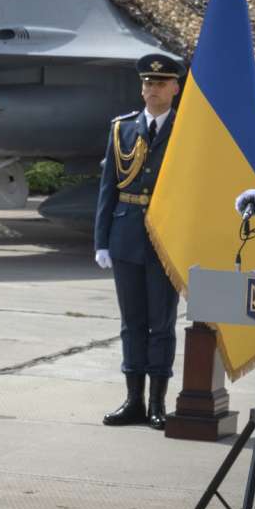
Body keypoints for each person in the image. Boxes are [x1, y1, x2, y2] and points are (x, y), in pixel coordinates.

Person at [93, 54, 184, 431]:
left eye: (161, 83)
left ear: (175, 88)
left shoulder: (186, 130)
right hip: (126, 234)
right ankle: (133, 400)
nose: (152, 89)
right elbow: (108, 188)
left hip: (167, 238)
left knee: (160, 324)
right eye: (148, 83)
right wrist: (101, 240)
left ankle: (158, 403)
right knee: (132, 323)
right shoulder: (122, 129)